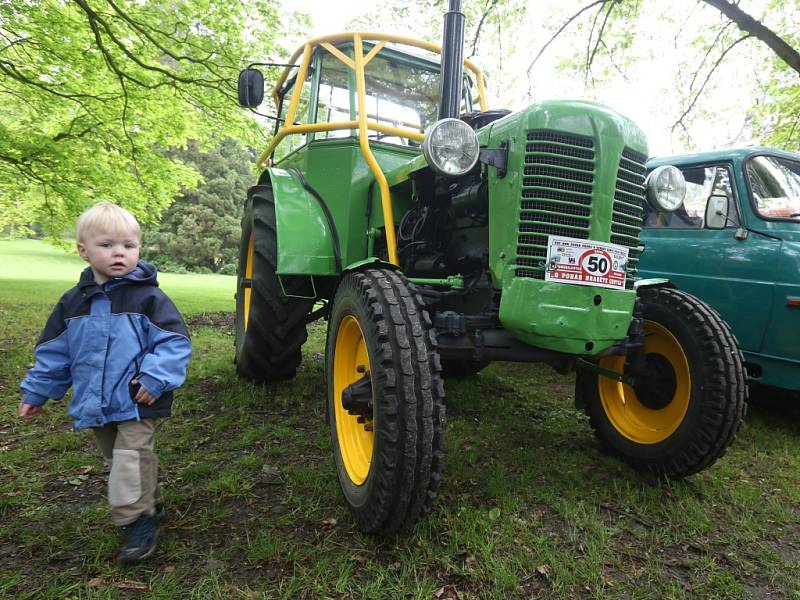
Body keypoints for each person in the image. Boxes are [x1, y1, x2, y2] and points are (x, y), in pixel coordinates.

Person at [18, 201, 192, 564]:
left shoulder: (148, 298)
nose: (119, 253)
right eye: (107, 245)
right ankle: (151, 502)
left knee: (129, 459)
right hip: (95, 402)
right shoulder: (72, 304)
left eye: (129, 246)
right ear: (83, 250)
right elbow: (55, 353)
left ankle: (135, 525)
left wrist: (156, 376)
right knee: (121, 460)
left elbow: (173, 343)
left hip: (138, 397)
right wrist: (37, 391)